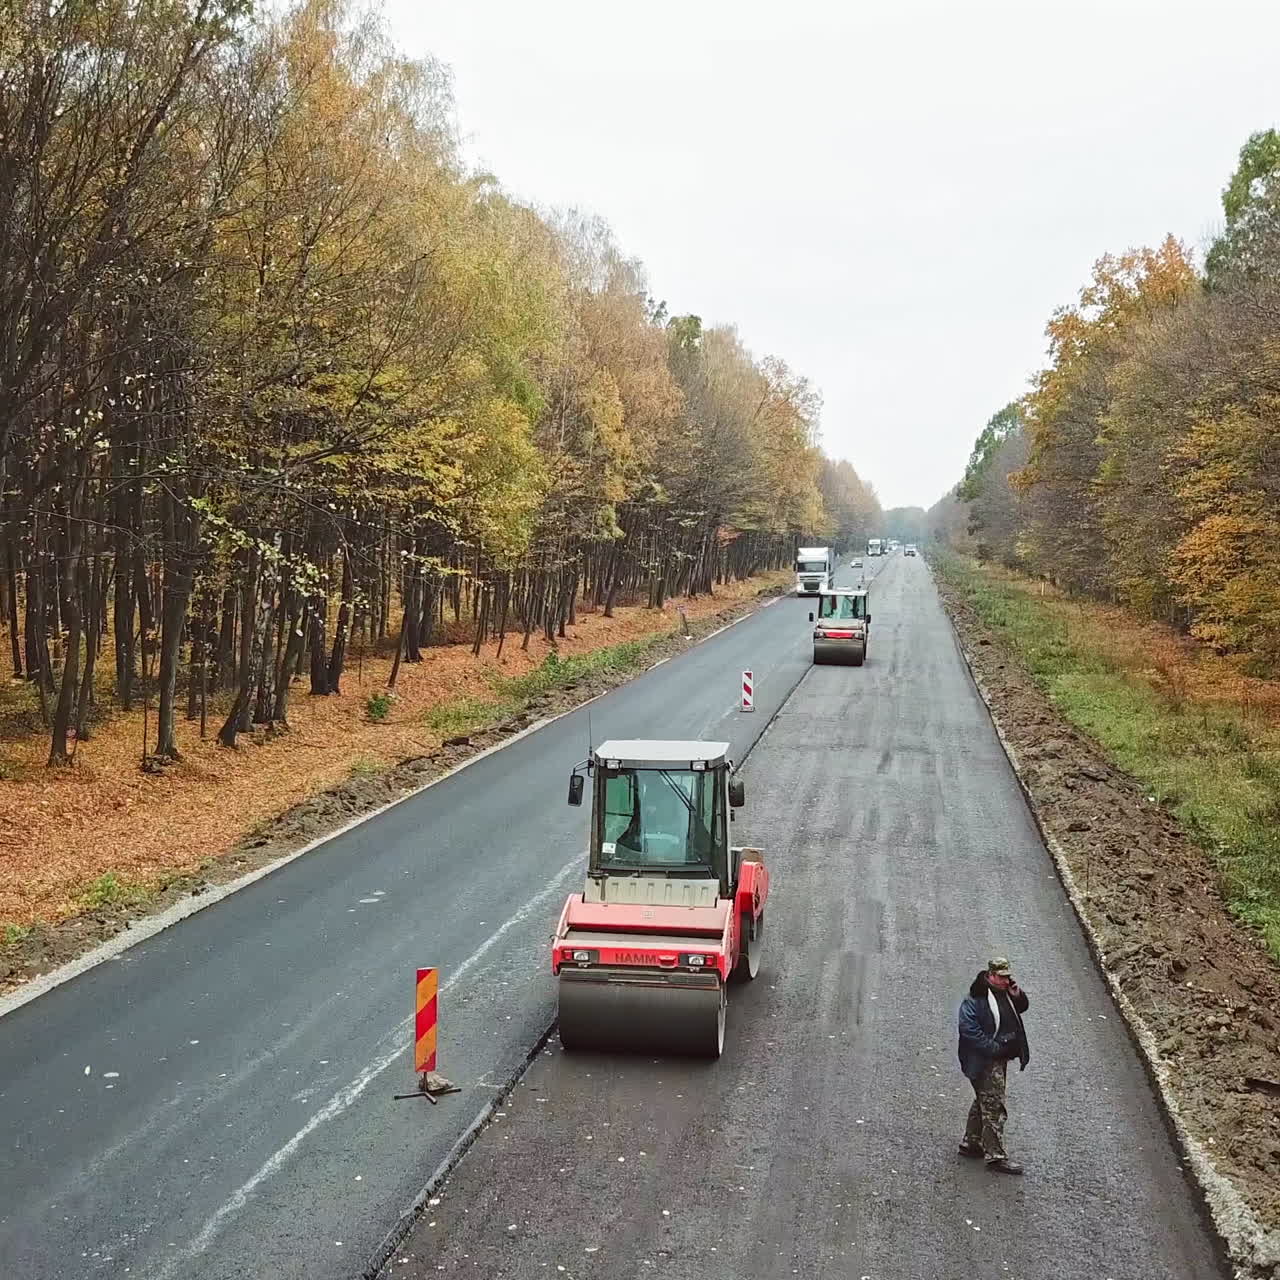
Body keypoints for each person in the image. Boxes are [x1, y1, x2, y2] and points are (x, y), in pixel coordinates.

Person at [957, 957, 1030, 1174]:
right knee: (994, 1105)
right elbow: (969, 1030)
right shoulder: (975, 999)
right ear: (990, 975)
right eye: (1001, 977)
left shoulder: (1006, 992)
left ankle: (971, 1142)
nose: (1005, 981)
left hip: (1000, 1056)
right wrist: (995, 1049)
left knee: (985, 1098)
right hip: (985, 1058)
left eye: (1007, 977)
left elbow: (1021, 1007)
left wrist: (1018, 995)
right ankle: (995, 1155)